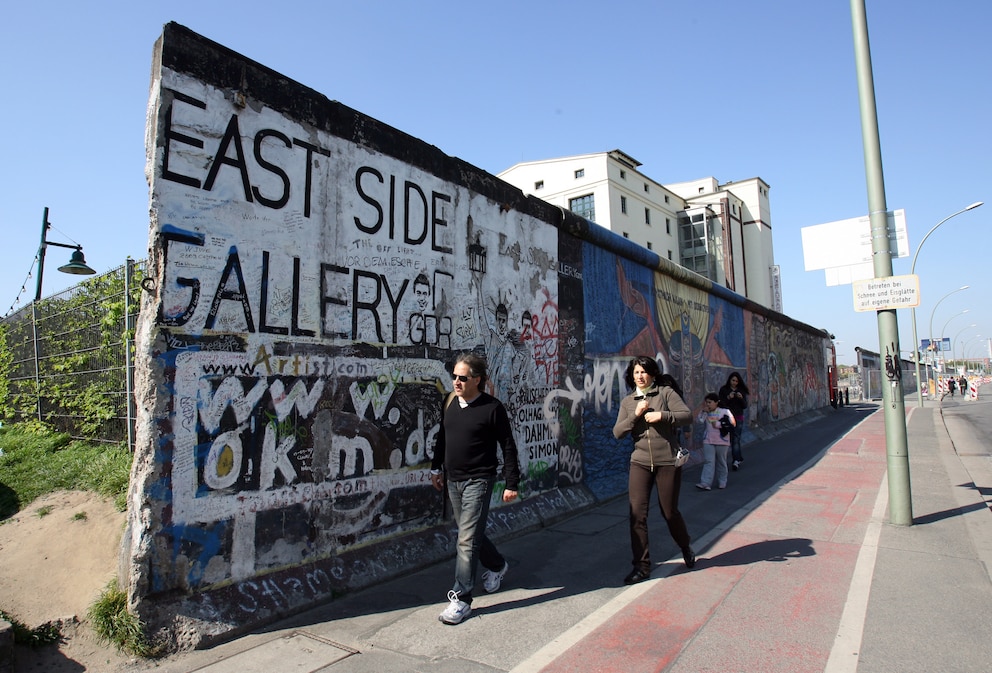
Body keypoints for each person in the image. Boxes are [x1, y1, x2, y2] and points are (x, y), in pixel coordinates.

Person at [430, 353, 520, 625]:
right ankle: (497, 565)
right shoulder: (449, 402)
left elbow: (507, 445)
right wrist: (436, 468)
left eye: (462, 377)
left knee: (466, 539)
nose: (456, 381)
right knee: (470, 534)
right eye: (454, 376)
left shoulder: (492, 408)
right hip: (454, 479)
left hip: (479, 480)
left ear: (477, 380)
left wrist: (511, 482)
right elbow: (442, 437)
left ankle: (461, 599)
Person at [613, 356, 695, 585]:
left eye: (644, 372)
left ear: (653, 374)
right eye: (636, 373)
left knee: (669, 512)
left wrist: (663, 416)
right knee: (637, 515)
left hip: (667, 461)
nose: (640, 376)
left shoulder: (665, 394)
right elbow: (618, 432)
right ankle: (642, 566)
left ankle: (685, 545)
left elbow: (687, 415)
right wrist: (635, 415)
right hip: (639, 461)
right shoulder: (628, 402)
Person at [695, 392, 735, 490]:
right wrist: (703, 412)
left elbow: (733, 423)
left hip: (722, 440)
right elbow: (699, 421)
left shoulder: (725, 411)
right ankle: (705, 482)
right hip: (708, 440)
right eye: (706, 402)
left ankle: (722, 480)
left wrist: (718, 424)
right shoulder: (706, 412)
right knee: (709, 461)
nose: (708, 404)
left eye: (710, 402)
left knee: (721, 461)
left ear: (716, 402)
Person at [718, 372, 749, 470]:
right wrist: (728, 397)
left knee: (736, 439)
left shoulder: (741, 391)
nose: (734, 383)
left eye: (736, 381)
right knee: (728, 439)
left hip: (738, 417)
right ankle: (738, 457)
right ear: (729, 380)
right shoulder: (724, 390)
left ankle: (736, 460)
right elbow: (720, 404)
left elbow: (744, 406)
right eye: (733, 380)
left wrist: (740, 398)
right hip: (726, 418)